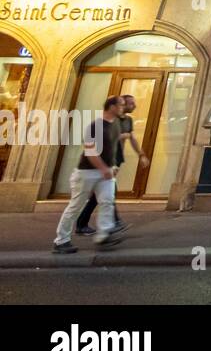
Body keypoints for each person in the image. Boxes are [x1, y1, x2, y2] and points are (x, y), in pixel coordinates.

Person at [53, 97, 126, 253]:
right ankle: (61, 240)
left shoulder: (116, 125)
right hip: (86, 172)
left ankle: (103, 235)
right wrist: (103, 168)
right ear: (111, 106)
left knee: (107, 200)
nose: (123, 108)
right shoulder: (95, 126)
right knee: (76, 206)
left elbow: (114, 147)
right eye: (121, 105)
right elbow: (90, 150)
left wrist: (114, 166)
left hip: (105, 172)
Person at [75, 94, 147, 236]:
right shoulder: (110, 121)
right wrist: (121, 136)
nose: (134, 106)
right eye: (130, 104)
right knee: (106, 191)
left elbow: (132, 138)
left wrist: (141, 154)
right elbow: (101, 140)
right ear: (121, 105)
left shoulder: (128, 120)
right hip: (105, 161)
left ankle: (84, 224)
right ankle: (111, 223)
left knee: (102, 194)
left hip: (116, 159)